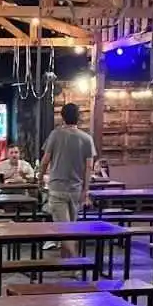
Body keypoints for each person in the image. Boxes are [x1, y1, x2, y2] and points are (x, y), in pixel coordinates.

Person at [40, 103, 96, 255]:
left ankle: (76, 261)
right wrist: (85, 190)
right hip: (76, 189)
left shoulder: (55, 135)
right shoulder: (87, 139)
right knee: (70, 227)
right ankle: (68, 263)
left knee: (64, 230)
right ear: (78, 117)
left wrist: (39, 178)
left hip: (57, 188)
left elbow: (45, 161)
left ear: (62, 117)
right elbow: (89, 167)